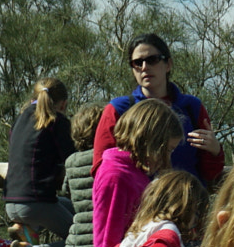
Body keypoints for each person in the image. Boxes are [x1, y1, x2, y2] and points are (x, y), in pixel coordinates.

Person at [92, 33, 223, 183]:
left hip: (188, 201)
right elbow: (101, 170)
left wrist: (215, 151)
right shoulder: (118, 109)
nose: (144, 67)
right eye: (137, 63)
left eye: (152, 60)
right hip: (138, 204)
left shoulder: (192, 107)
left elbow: (212, 174)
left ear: (168, 64)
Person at [94, 98, 184, 247]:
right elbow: (107, 244)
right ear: (151, 143)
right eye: (168, 150)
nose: (168, 160)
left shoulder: (138, 173)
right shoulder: (116, 176)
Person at [5, 77, 75, 247]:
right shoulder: (57, 121)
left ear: (32, 99)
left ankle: (27, 229)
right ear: (63, 104)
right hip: (36, 203)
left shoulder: (19, 119)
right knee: (84, 240)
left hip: (11, 203)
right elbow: (71, 159)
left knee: (74, 208)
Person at [63, 104, 101, 247]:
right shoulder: (105, 158)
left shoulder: (71, 160)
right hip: (100, 236)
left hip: (78, 237)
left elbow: (66, 191)